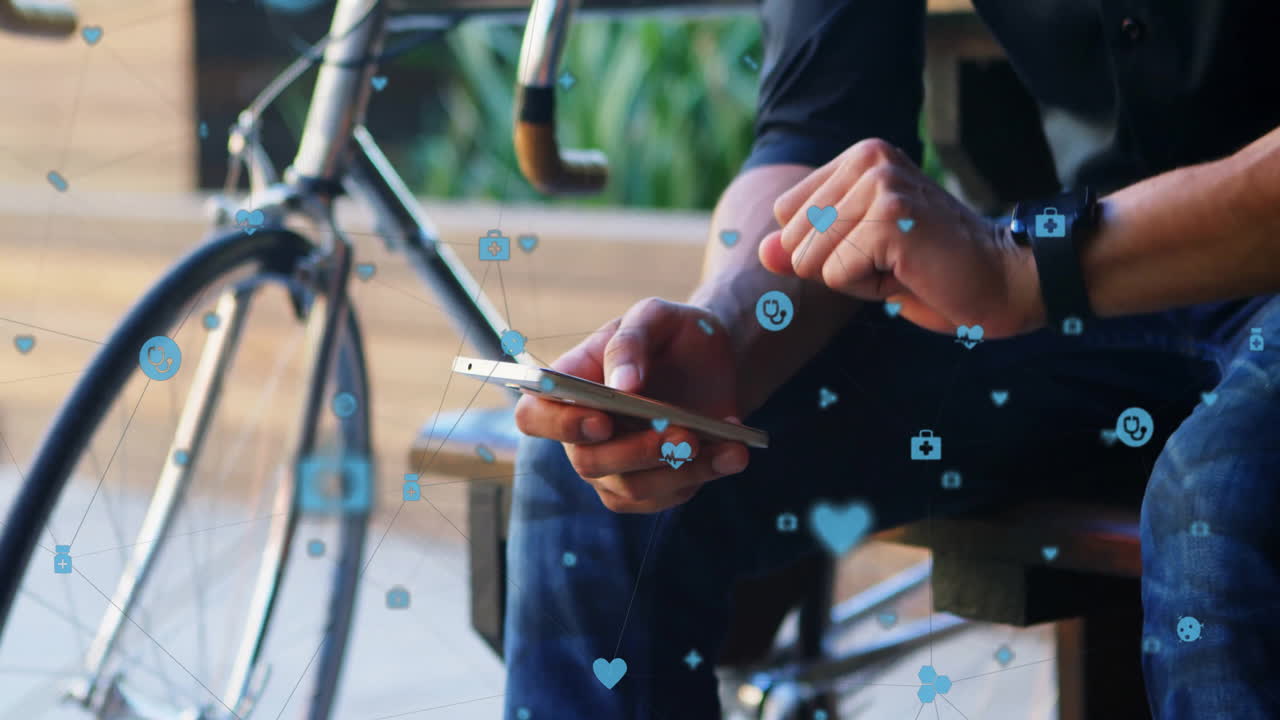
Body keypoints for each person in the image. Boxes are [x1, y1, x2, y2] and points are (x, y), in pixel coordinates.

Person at [502, 1, 1280, 718]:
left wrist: (1025, 266)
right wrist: (728, 333)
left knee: (1222, 495)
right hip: (1082, 297)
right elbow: (818, 132)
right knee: (602, 460)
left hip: (1139, 274)